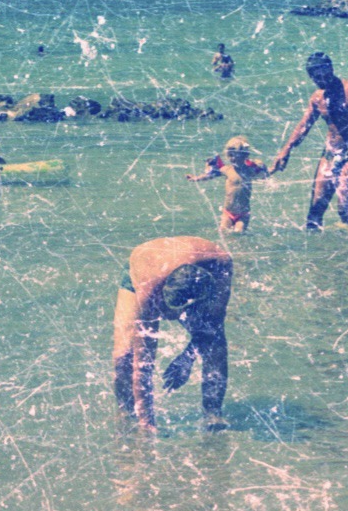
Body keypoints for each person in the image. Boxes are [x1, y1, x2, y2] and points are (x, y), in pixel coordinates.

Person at [110, 237, 233, 432]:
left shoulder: (219, 270)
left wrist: (187, 357)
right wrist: (147, 423)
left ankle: (213, 413)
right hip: (146, 265)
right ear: (162, 294)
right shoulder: (149, 290)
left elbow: (212, 328)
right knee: (125, 353)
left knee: (215, 341)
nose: (167, 317)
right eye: (165, 309)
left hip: (203, 265)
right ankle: (125, 412)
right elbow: (143, 365)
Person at [271, 52, 348, 229]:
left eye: (324, 75)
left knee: (344, 209)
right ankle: (315, 252)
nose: (321, 80)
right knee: (315, 210)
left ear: (331, 69)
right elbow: (304, 125)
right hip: (329, 155)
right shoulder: (317, 98)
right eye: (316, 78)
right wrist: (286, 149)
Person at [188, 136, 269, 232]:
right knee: (223, 231)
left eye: (235, 155)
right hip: (228, 212)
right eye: (230, 155)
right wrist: (196, 178)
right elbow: (210, 175)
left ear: (244, 155)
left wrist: (272, 168)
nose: (232, 158)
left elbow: (265, 175)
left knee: (239, 232)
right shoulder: (227, 170)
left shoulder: (249, 170)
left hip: (243, 214)